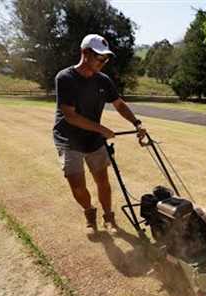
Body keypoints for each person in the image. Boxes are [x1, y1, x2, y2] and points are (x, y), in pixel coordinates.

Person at [53, 34, 145, 230]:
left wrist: (137, 123)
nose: (103, 62)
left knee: (102, 181)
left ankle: (109, 216)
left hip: (93, 139)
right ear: (85, 53)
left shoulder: (103, 80)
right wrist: (101, 129)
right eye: (99, 57)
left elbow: (119, 104)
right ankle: (89, 211)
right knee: (77, 185)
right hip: (68, 139)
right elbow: (70, 115)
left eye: (106, 58)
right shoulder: (65, 78)